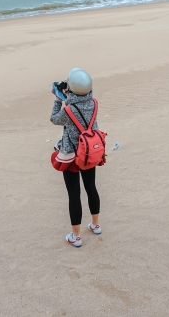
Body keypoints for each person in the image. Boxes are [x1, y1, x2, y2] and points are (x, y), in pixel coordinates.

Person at [50, 68, 102, 248]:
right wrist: (69, 96)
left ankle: (76, 236)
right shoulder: (94, 103)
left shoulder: (69, 109)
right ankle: (95, 225)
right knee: (91, 187)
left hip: (72, 156)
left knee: (74, 195)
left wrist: (58, 99)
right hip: (88, 153)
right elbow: (82, 107)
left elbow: (55, 119)